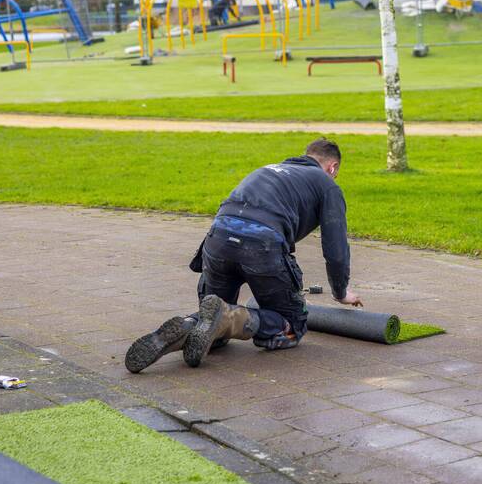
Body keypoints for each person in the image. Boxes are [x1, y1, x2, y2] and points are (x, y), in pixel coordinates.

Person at [125, 138, 362, 373]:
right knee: (292, 324)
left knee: (212, 330)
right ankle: (230, 319)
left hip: (217, 240)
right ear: (333, 168)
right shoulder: (327, 184)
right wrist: (341, 292)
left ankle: (189, 324)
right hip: (261, 247)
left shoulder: (268, 170)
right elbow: (336, 250)